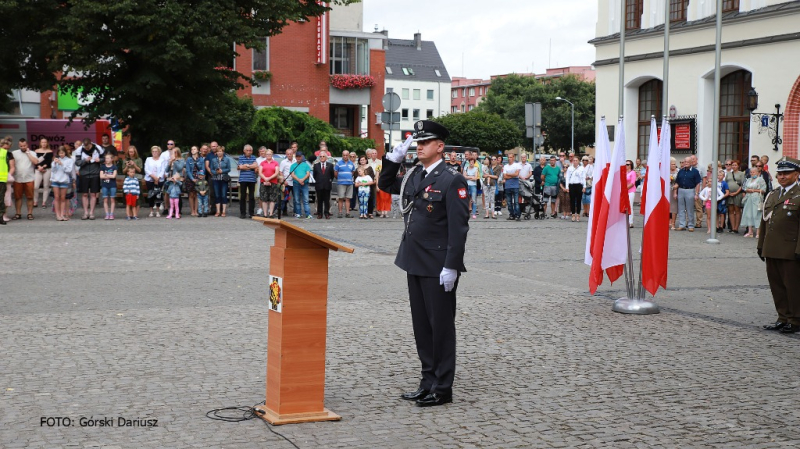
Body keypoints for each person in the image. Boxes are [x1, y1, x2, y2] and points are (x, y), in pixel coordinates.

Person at [378, 120, 469, 407]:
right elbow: (385, 184)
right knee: (422, 327)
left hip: (438, 264)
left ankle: (443, 388)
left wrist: (451, 265)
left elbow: (459, 227)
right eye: (417, 143)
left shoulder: (452, 179)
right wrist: (393, 160)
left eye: (425, 142)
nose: (419, 147)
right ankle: (427, 381)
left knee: (440, 327)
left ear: (440, 147)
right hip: (414, 260)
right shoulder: (414, 173)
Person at [757, 156, 800, 334]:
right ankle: (782, 317)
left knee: (793, 286)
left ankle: (795, 319)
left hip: (791, 250)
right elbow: (764, 222)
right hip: (772, 248)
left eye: (786, 173)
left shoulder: (798, 195)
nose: (782, 176)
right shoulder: (773, 194)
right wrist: (761, 245)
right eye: (780, 173)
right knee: (777, 285)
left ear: (796, 175)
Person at [75, 138, 103, 220]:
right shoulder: (79, 150)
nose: (86, 149)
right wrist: (85, 160)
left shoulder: (98, 148)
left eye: (88, 147)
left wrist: (99, 160)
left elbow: (104, 158)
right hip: (84, 173)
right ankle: (85, 212)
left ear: (91, 144)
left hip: (95, 173)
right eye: (85, 147)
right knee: (84, 194)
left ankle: (92, 213)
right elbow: (77, 162)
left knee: (93, 194)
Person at [11, 138, 39, 220]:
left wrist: (28, 153)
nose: (23, 147)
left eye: (24, 145)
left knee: (30, 197)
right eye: (21, 146)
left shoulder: (32, 153)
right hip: (17, 178)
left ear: (27, 145)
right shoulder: (14, 153)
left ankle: (30, 213)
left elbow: (36, 162)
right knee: (17, 197)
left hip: (29, 178)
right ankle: (18, 213)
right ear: (18, 146)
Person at [675, 156, 702, 231]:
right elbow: (677, 182)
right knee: (681, 209)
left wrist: (696, 193)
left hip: (690, 190)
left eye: (687, 162)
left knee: (690, 209)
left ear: (691, 163)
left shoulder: (695, 171)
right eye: (684, 162)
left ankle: (690, 225)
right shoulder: (681, 171)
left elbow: (698, 183)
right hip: (681, 190)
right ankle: (682, 225)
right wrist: (675, 191)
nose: (685, 163)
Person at [741, 163, 767, 238]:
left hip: (757, 199)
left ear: (757, 172)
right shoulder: (748, 180)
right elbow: (745, 188)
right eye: (751, 172)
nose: (752, 173)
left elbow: (763, 189)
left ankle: (758, 233)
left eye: (754, 172)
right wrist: (747, 190)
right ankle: (750, 232)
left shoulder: (760, 179)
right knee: (748, 214)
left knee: (757, 215)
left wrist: (753, 190)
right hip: (748, 198)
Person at [50, 146, 74, 221]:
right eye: (60, 153)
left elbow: (69, 171)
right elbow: (53, 170)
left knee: (63, 198)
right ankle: (58, 215)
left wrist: (62, 164)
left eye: (62, 153)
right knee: (56, 198)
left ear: (65, 153)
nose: (61, 155)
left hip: (64, 180)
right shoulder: (55, 160)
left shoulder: (70, 160)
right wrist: (54, 162)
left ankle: (62, 214)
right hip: (55, 180)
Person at [208, 145, 231, 217]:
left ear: (223, 152)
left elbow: (229, 169)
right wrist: (216, 172)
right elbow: (211, 169)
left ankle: (223, 211)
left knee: (223, 195)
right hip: (216, 179)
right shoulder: (213, 160)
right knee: (217, 195)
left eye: (220, 151)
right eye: (218, 151)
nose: (219, 153)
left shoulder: (227, 159)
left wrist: (222, 171)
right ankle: (218, 211)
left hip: (224, 179)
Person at [144, 145, 166, 218]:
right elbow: (146, 169)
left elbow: (163, 170)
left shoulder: (162, 160)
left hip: (159, 179)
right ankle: (151, 211)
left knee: (158, 195)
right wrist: (153, 177)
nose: (154, 153)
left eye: (156, 151)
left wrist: (158, 178)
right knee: (150, 195)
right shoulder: (148, 159)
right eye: (153, 151)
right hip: (150, 179)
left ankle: (157, 211)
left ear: (159, 152)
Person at [257, 149, 280, 218]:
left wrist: (269, 178)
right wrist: (265, 178)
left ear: (272, 155)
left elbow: (276, 172)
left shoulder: (275, 163)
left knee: (272, 198)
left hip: (273, 182)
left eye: (269, 154)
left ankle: (271, 213)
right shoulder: (262, 163)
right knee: (264, 198)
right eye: (267, 154)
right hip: (263, 182)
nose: (268, 156)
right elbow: (260, 172)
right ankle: (265, 213)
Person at [290, 151, 312, 219]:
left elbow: (308, 173)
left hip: (304, 183)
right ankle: (298, 213)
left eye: (300, 156)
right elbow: (292, 174)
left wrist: (302, 180)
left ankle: (307, 214)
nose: (298, 158)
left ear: (302, 157)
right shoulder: (293, 165)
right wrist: (299, 180)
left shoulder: (306, 165)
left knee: (306, 199)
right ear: (296, 157)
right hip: (296, 183)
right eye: (297, 156)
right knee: (297, 199)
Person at [725, 160, 745, 234]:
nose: (734, 166)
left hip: (737, 193)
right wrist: (728, 192)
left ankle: (736, 227)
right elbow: (726, 183)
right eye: (732, 165)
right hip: (729, 194)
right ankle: (732, 227)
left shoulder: (741, 174)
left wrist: (736, 192)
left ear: (738, 166)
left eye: (735, 165)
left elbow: (743, 184)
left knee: (737, 210)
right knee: (730, 210)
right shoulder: (728, 174)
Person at [312, 150, 334, 219]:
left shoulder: (330, 165)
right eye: (320, 156)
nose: (322, 157)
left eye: (323, 156)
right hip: (319, 185)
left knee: (327, 201)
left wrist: (328, 181)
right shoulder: (316, 166)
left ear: (326, 157)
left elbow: (332, 175)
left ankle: (327, 213)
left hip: (327, 185)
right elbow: (314, 175)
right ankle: (319, 213)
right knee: (319, 200)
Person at [33, 137, 53, 208]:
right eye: (42, 142)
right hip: (38, 170)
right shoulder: (36, 151)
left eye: (45, 142)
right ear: (40, 143)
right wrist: (39, 167)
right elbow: (35, 160)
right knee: (35, 186)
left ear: (47, 143)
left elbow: (49, 161)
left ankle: (44, 202)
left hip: (47, 169)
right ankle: (35, 201)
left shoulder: (50, 151)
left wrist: (43, 167)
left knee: (46, 186)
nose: (44, 143)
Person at [184, 146, 204, 217]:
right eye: (192, 149)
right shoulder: (189, 159)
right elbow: (188, 170)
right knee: (191, 194)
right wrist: (192, 178)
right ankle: (192, 210)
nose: (193, 150)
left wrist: (199, 177)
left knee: (197, 195)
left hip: (198, 178)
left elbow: (202, 169)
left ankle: (196, 210)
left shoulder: (201, 159)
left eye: (194, 149)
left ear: (198, 150)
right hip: (190, 179)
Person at [334, 150, 354, 218]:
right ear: (342, 155)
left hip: (349, 183)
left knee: (348, 198)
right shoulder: (338, 163)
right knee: (341, 198)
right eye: (344, 155)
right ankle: (340, 212)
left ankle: (347, 213)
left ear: (348, 155)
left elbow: (353, 172)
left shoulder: (351, 163)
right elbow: (335, 173)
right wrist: (340, 178)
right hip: (341, 183)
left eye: (346, 155)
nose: (345, 156)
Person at [566, 157, 586, 222]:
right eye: (574, 160)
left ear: (578, 161)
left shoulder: (582, 168)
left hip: (579, 185)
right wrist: (567, 187)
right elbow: (567, 178)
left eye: (576, 160)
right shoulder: (569, 168)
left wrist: (584, 186)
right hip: (572, 185)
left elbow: (583, 178)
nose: (575, 161)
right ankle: (573, 214)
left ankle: (578, 214)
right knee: (572, 200)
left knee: (578, 201)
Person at [503, 153, 522, 221]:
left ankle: (517, 215)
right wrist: (512, 175)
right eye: (508, 157)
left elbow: (516, 174)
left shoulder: (517, 165)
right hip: (508, 186)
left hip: (515, 185)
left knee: (516, 202)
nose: (509, 159)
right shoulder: (505, 166)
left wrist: (508, 174)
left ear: (513, 158)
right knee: (509, 202)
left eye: (511, 157)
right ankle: (511, 214)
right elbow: (504, 176)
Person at [99, 153, 118, 220]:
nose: (106, 159)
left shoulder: (114, 167)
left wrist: (106, 175)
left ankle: (111, 213)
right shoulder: (103, 167)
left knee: (112, 199)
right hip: (105, 185)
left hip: (112, 185)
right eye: (106, 158)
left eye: (108, 158)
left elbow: (114, 176)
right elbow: (101, 176)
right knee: (105, 199)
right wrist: (109, 176)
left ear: (112, 159)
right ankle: (107, 214)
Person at [279, 144, 296, 215]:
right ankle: (284, 211)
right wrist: (284, 180)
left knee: (296, 198)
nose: (289, 155)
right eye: (288, 154)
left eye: (290, 154)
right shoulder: (283, 162)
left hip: (295, 182)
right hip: (287, 182)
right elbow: (280, 172)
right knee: (285, 198)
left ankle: (296, 211)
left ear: (293, 154)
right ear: (286, 154)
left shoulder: (296, 161)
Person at [463, 155, 480, 219]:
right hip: (467, 185)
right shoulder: (466, 168)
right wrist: (471, 177)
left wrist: (468, 176)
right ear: (469, 162)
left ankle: (474, 213)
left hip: (473, 185)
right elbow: (464, 176)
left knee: (474, 200)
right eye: (470, 161)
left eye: (473, 161)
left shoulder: (476, 168)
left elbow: (475, 178)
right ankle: (466, 212)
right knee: (466, 199)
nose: (471, 163)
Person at [625, 160, 637, 227]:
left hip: (630, 191)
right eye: (626, 164)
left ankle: (630, 222)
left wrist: (625, 189)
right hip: (624, 191)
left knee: (630, 205)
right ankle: (625, 221)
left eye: (628, 164)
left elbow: (632, 183)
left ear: (631, 165)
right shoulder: (624, 173)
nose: (626, 166)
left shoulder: (633, 173)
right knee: (625, 206)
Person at [669, 158, 679, 230]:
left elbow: (679, 180)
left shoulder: (678, 171)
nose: (673, 165)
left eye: (674, 164)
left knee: (674, 207)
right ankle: (667, 222)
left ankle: (673, 223)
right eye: (672, 164)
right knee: (667, 207)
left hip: (675, 190)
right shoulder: (665, 171)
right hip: (667, 190)